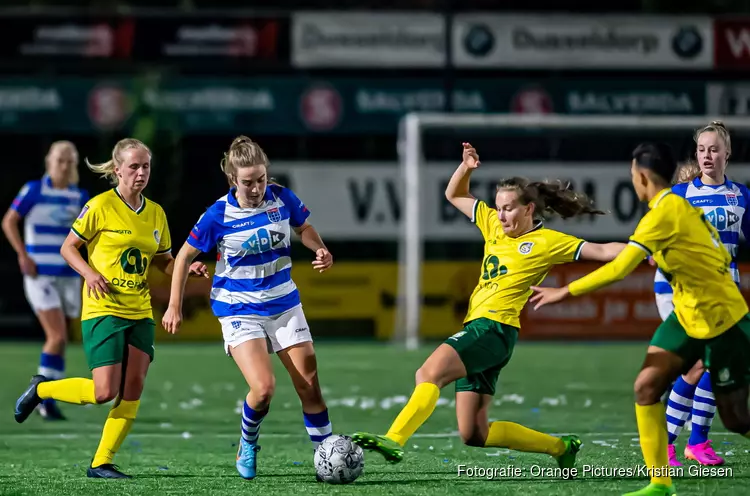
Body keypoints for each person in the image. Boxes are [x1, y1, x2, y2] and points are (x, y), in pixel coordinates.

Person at [351, 142, 627, 469]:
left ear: (528, 210)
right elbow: (455, 195)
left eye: (509, 208)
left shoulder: (547, 242)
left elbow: (604, 251)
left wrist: (643, 249)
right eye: (498, 207)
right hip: (485, 331)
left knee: (428, 372)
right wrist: (466, 167)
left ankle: (394, 439)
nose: (501, 214)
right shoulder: (492, 224)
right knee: (474, 433)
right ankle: (561, 447)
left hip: (493, 328)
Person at [529, 141, 750, 496]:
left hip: (722, 319)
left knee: (736, 418)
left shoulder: (664, 213)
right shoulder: (676, 205)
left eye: (633, 174)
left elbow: (619, 269)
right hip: (689, 316)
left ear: (643, 176)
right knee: (646, 388)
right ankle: (660, 484)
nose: (632, 181)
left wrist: (563, 292)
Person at [13, 138, 207, 479]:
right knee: (104, 391)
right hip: (104, 309)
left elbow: (163, 260)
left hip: (140, 310)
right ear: (117, 170)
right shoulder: (99, 206)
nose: (141, 172)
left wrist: (184, 268)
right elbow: (69, 248)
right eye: (134, 166)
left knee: (133, 387)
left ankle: (101, 462)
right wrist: (89, 273)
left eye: (146, 166)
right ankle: (42, 388)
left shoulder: (156, 213)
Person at [161, 135, 334, 481]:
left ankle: (327, 455)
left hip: (284, 303)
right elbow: (182, 256)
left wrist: (321, 249)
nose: (256, 188)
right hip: (239, 309)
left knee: (309, 386)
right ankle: (247, 440)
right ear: (232, 180)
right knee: (264, 388)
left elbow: (305, 228)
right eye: (247, 182)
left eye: (261, 180)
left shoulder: (282, 197)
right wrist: (174, 306)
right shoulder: (217, 215)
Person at [655, 122, 749, 467]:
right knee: (696, 365)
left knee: (715, 366)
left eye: (714, 149)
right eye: (701, 150)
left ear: (727, 154)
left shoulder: (741, 195)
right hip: (685, 291)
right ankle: (666, 444)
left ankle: (697, 443)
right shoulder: (681, 195)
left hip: (725, 292)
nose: (707, 156)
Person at [2, 141, 89, 421]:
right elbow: (9, 221)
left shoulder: (79, 196)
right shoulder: (34, 190)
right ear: (49, 162)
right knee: (57, 336)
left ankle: (47, 395)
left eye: (69, 161)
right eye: (59, 160)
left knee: (61, 340)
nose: (64, 165)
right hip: (40, 274)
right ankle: (43, 397)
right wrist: (22, 254)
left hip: (67, 275)